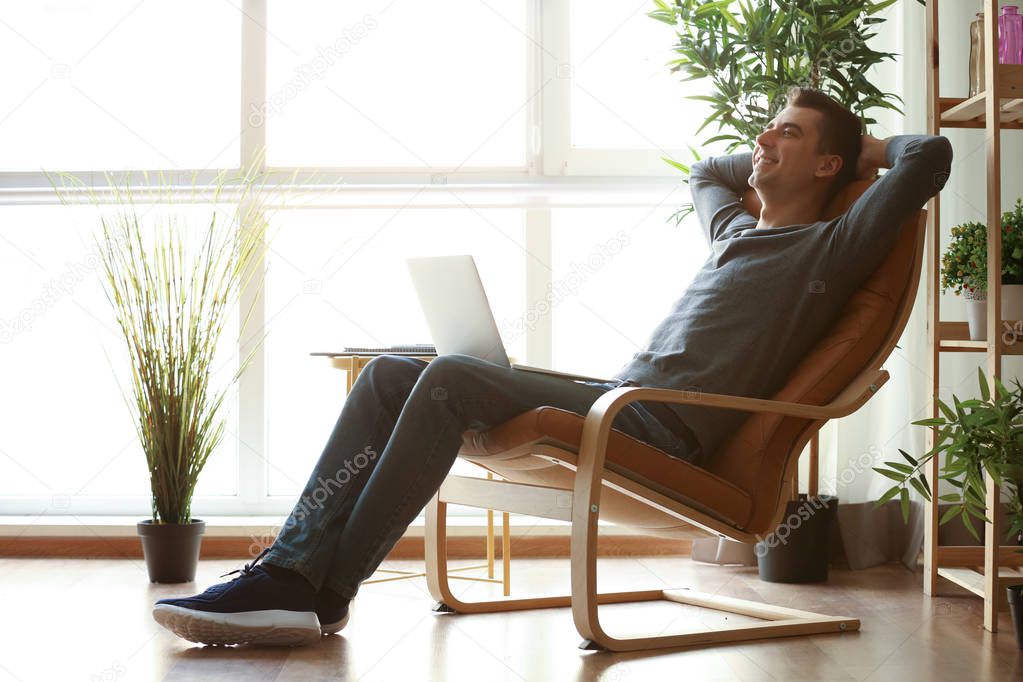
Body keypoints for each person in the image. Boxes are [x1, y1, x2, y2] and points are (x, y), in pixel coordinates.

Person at [152, 86, 953, 647]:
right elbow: (707, 173)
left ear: (828, 169)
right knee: (392, 372)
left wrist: (863, 153)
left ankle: (317, 592)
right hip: (619, 399)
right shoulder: (734, 233)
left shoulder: (831, 246)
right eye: (769, 127)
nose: (765, 138)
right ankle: (292, 572)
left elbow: (929, 156)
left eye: (790, 134)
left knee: (450, 377)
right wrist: (787, 153)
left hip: (662, 427)